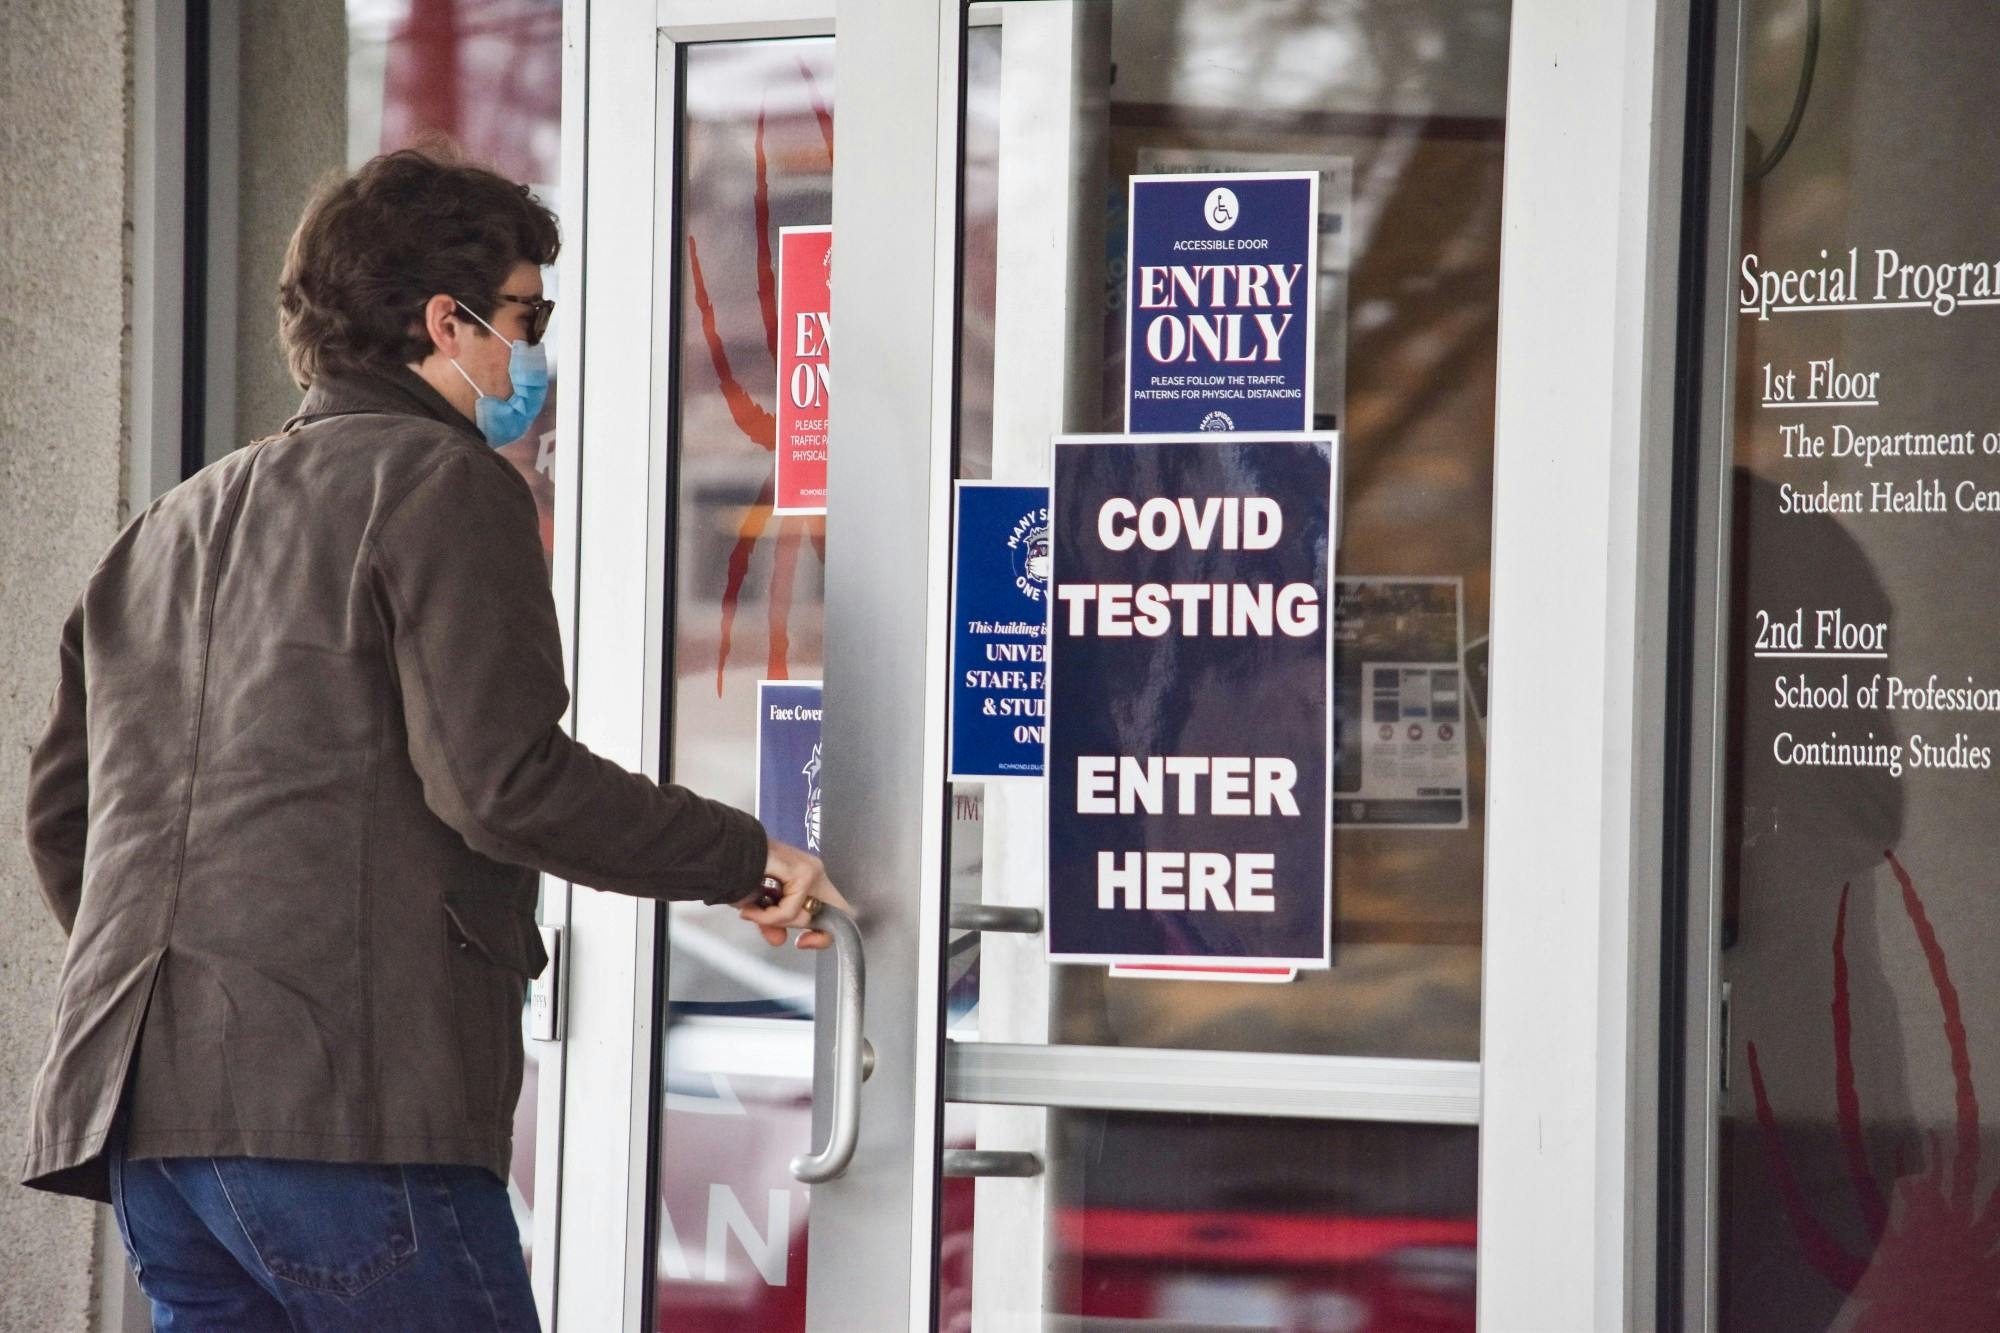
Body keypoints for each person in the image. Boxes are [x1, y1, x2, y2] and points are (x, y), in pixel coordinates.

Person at [18, 147, 846, 1331]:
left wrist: (203, 989)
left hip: (153, 1133)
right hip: (351, 1120)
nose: (535, 349)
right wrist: (743, 857)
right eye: (526, 313)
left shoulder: (166, 526)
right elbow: (502, 785)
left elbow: (64, 820)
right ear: (443, 322)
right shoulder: (442, 483)